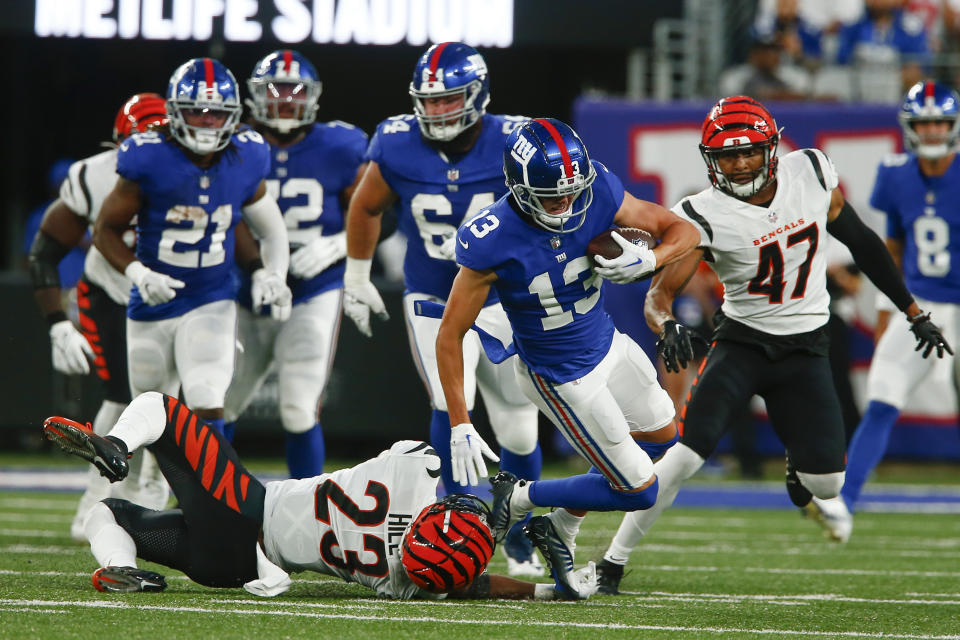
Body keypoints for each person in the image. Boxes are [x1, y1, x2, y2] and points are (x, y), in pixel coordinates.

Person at [594, 96, 951, 594]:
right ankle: (612, 561)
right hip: (743, 344)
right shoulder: (702, 213)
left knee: (828, 485)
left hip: (807, 348)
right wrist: (666, 324)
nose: (739, 164)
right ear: (710, 159)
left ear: (772, 149)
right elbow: (659, 294)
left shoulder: (811, 171)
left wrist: (913, 311)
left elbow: (863, 242)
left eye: (748, 153)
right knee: (687, 454)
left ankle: (797, 463)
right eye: (726, 155)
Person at [434, 117, 700, 595]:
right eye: (553, 196)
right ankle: (517, 498)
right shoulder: (492, 235)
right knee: (641, 490)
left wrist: (651, 259)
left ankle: (558, 525)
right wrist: (460, 419)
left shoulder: (596, 189)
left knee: (662, 441)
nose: (568, 203)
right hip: (560, 375)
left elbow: (683, 231)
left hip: (609, 343)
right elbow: (450, 334)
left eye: (573, 191)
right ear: (520, 189)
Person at [40, 392, 598, 600]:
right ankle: (122, 569)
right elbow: (471, 584)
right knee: (110, 513)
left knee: (162, 408)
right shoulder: (403, 582)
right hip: (230, 568)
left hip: (247, 512)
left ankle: (116, 445)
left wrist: (503, 510)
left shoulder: (413, 466)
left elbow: (471, 499)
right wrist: (548, 593)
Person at [342, 42, 545, 576]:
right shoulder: (395, 141)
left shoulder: (512, 140)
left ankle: (519, 537)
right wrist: (357, 275)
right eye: (428, 102)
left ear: (477, 95)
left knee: (519, 427)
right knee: (449, 400)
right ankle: (461, 532)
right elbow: (365, 205)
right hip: (433, 291)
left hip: (505, 296)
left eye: (448, 100)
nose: (437, 113)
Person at [93, 58, 292, 438]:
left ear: (233, 115)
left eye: (216, 114)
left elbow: (271, 229)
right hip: (153, 298)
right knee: (149, 405)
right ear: (174, 114)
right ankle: (151, 485)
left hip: (211, 295)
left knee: (206, 392)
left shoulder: (246, 154)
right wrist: (140, 274)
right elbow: (105, 230)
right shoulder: (147, 157)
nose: (206, 123)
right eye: (196, 112)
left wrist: (272, 274)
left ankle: (208, 497)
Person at [806, 81, 960, 542]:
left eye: (940, 121)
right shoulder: (895, 174)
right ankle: (844, 506)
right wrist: (889, 309)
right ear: (910, 127)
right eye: (924, 122)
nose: (932, 130)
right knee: (882, 397)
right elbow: (891, 247)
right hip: (923, 305)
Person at [28, 93, 172, 541]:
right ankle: (103, 495)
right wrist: (56, 324)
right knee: (122, 391)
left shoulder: (197, 170)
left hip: (181, 295)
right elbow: (46, 251)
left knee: (180, 393)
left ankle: (157, 483)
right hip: (110, 292)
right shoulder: (93, 175)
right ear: (117, 144)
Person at [222, 50, 368, 477]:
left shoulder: (342, 144)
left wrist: (341, 243)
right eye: (274, 91)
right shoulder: (237, 144)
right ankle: (204, 503)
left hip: (313, 290)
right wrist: (257, 270)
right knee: (218, 398)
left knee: (298, 406)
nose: (285, 101)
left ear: (314, 96)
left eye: (295, 91)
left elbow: (378, 210)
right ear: (254, 96)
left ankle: (307, 512)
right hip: (245, 288)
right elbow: (223, 215)